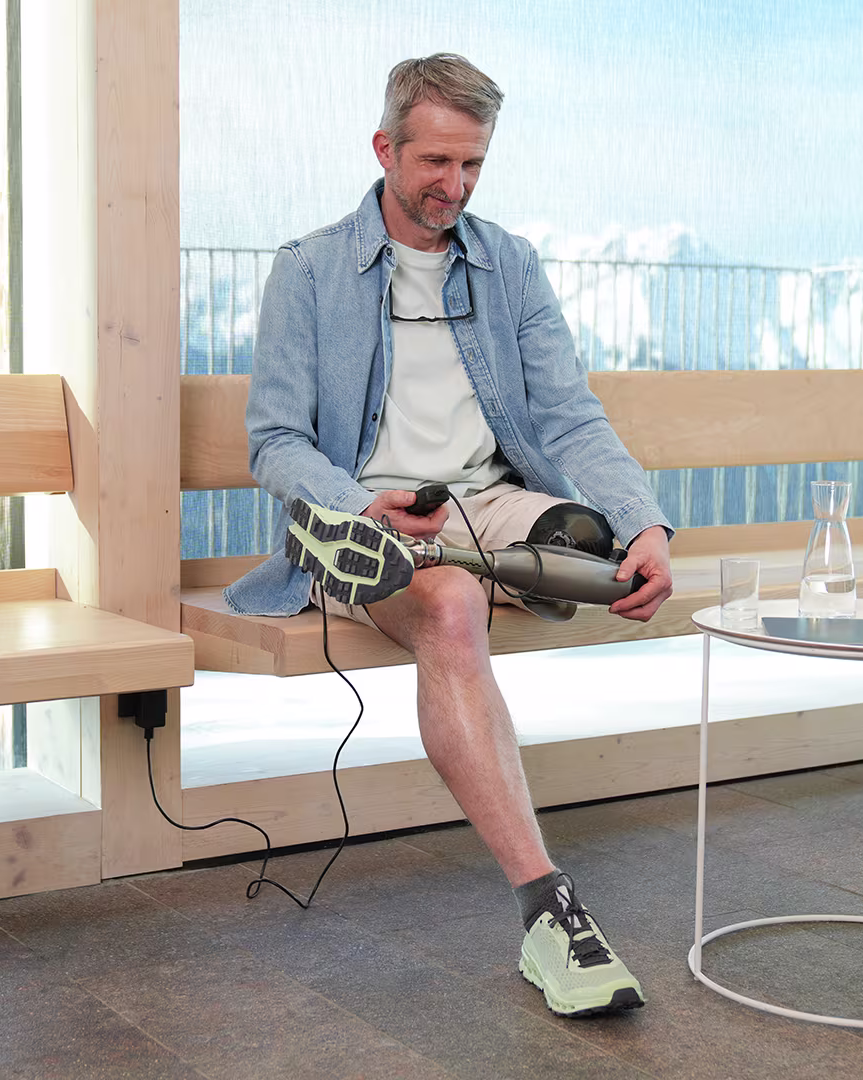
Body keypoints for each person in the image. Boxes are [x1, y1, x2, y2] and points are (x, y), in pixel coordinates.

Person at [225, 53, 673, 1018]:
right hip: (368, 509)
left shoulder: (507, 262)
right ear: (384, 147)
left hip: (491, 499)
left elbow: (566, 418)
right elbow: (274, 439)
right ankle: (549, 911)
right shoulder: (308, 269)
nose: (454, 186)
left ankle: (545, 560)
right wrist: (347, 505)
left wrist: (643, 525)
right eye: (435, 162)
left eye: (473, 165)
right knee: (454, 606)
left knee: (591, 540)